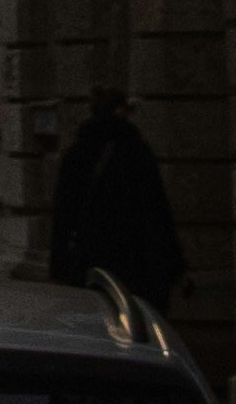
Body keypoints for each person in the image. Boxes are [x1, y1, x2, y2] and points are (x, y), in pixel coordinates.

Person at [49, 86, 190, 301]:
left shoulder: (76, 154)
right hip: (135, 264)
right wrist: (175, 268)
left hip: (89, 263)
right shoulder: (136, 153)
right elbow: (156, 213)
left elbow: (63, 215)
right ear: (120, 111)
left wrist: (59, 267)